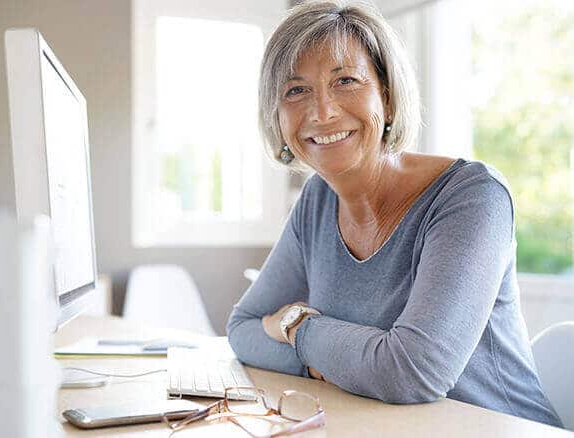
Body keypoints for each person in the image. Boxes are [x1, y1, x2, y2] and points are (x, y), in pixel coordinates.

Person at [226, 0, 562, 428]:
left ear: (385, 94)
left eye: (345, 80)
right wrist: (324, 364)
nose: (323, 111)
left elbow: (413, 371)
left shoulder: (471, 197)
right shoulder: (315, 201)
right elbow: (243, 329)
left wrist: (297, 326)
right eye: (296, 90)